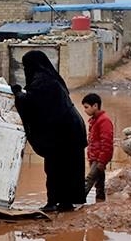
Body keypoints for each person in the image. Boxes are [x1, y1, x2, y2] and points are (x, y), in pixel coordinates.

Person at [13, 50, 87, 212]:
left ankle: (58, 202)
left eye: (26, 66)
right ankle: (61, 202)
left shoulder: (43, 81)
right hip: (68, 128)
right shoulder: (50, 78)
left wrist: (18, 94)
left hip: (65, 131)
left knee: (58, 167)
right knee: (64, 167)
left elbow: (32, 103)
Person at [82, 93, 114, 202]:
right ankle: (100, 201)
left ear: (95, 106)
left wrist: (102, 160)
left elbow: (107, 143)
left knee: (89, 179)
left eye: (86, 107)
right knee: (99, 183)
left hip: (99, 157)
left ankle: (77, 199)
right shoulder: (95, 121)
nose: (85, 110)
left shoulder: (104, 121)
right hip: (95, 157)